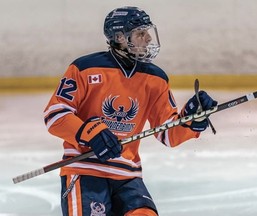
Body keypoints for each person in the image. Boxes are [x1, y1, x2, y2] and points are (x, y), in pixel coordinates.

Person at [44, 6, 217, 216]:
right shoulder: (84, 68)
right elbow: (55, 114)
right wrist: (88, 133)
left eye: (148, 33)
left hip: (127, 175)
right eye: (140, 33)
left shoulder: (156, 79)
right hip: (84, 168)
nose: (148, 39)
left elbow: (168, 133)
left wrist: (190, 121)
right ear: (120, 37)